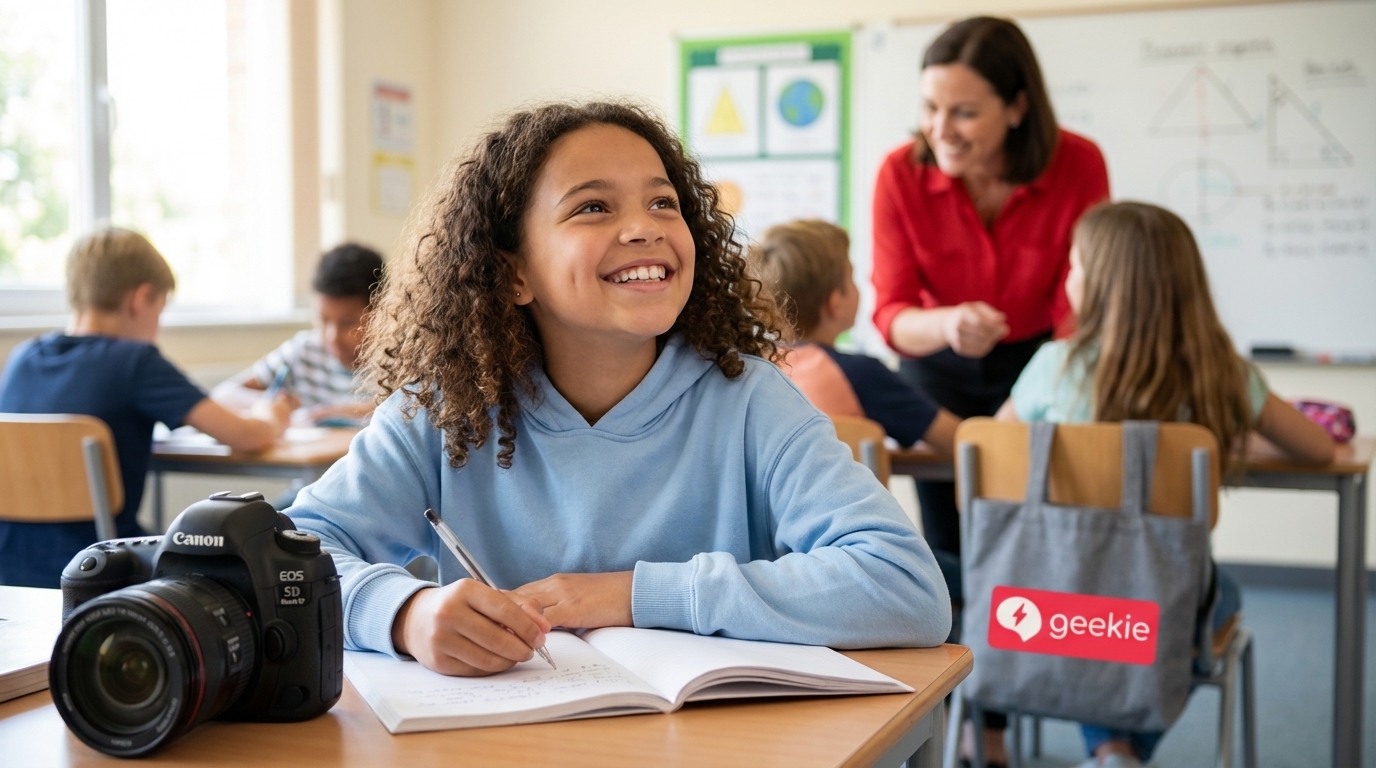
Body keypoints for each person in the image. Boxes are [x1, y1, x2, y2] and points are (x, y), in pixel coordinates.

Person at [286, 101, 951, 678]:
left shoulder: (750, 399)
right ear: (514, 273)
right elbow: (289, 556)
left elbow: (908, 587)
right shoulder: (444, 409)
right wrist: (402, 611)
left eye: (664, 202)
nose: (644, 226)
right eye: (593, 206)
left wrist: (630, 595)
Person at [996, 201, 1334, 768]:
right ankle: (1118, 750)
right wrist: (1223, 435)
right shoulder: (1222, 372)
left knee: (1098, 619)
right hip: (1166, 608)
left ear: (1101, 286)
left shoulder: (1054, 366)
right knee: (1201, 602)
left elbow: (1000, 447)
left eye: (1075, 268)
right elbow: (1318, 448)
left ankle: (1109, 748)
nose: (1068, 279)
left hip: (1052, 599)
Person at [871, 17, 1110, 760]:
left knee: (1041, 555)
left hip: (1041, 369)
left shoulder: (1078, 164)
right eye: (931, 107)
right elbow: (891, 314)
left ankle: (1053, 709)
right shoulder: (898, 174)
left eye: (964, 111)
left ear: (1017, 107)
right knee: (957, 557)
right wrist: (944, 324)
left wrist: (1048, 384)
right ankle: (986, 734)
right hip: (938, 371)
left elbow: (1084, 303)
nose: (942, 128)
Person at [0, 228, 291, 588]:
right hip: (98, 566)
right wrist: (272, 414)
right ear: (141, 299)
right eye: (160, 309)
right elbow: (245, 436)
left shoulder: (22, 358)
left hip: (8, 569)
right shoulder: (135, 362)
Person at [749, 219, 960, 455]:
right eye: (852, 278)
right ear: (835, 303)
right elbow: (958, 440)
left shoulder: (751, 369)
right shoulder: (862, 374)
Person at [213, 243, 383, 427]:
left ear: (379, 311)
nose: (332, 336)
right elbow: (223, 394)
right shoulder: (303, 351)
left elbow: (405, 410)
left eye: (347, 322)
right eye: (323, 320)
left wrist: (337, 412)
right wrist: (274, 406)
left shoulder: (396, 360)